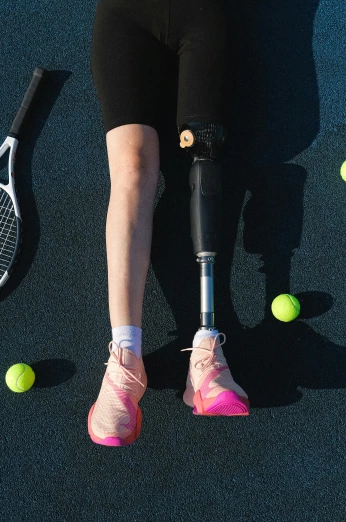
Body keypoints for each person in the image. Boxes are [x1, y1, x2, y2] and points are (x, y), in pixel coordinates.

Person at [88, 0, 249, 447]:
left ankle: (206, 352)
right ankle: (126, 359)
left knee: (205, 155)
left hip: (200, 14)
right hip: (126, 17)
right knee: (134, 169)